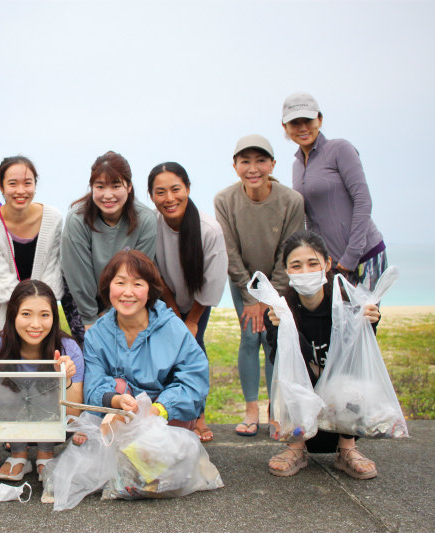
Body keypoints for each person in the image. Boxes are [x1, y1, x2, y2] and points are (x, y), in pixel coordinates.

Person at [264, 230, 380, 479]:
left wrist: (370, 322)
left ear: (327, 265)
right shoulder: (279, 311)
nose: (305, 271)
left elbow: (359, 359)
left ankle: (347, 449)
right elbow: (280, 364)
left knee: (351, 382)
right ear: (286, 270)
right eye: (296, 265)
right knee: (287, 380)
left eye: (312, 263)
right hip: (300, 421)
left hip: (342, 416)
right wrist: (282, 329)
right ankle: (296, 449)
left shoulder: (349, 306)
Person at [213, 134, 304, 437]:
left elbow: (288, 252)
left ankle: (276, 410)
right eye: (245, 161)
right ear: (235, 166)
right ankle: (251, 410)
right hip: (243, 281)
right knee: (251, 337)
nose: (253, 168)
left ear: (272, 164)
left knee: (274, 340)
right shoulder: (224, 200)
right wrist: (251, 297)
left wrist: (269, 297)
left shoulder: (292, 200)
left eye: (261, 161)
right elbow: (229, 251)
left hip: (279, 282)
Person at [0, 280, 84, 481]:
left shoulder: (68, 349)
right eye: (26, 314)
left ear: (54, 317)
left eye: (44, 315)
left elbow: (74, 414)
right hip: (8, 426)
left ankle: (46, 454)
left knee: (46, 386)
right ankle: (18, 453)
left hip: (57, 430)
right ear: (13, 315)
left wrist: (65, 380)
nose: (35, 324)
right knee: (5, 389)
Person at [83, 249, 208, 429]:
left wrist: (158, 409)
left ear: (149, 291)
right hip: (120, 417)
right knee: (118, 385)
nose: (128, 292)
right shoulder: (96, 334)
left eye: (137, 284)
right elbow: (93, 385)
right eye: (120, 283)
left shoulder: (173, 328)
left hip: (165, 417)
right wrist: (117, 400)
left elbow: (194, 377)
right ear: (108, 287)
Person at [148, 162, 228, 442]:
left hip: (197, 302)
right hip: (164, 297)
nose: (169, 198)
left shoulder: (209, 229)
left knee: (193, 349)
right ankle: (166, 411)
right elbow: (154, 271)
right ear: (151, 196)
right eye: (160, 192)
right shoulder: (151, 225)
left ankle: (198, 414)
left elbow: (212, 280)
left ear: (188, 189)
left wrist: (192, 320)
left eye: (176, 189)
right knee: (162, 351)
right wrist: (171, 308)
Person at [281, 93, 388, 291]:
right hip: (331, 265)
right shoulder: (297, 166)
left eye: (308, 120)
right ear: (285, 127)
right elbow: (310, 218)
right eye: (295, 122)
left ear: (320, 120)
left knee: (363, 313)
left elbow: (363, 200)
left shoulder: (339, 149)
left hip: (363, 256)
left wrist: (352, 255)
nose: (302, 128)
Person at [61, 151, 157, 341]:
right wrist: (90, 319)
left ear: (129, 186)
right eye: (100, 186)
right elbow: (79, 276)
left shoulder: (146, 219)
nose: (108, 195)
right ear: (92, 188)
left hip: (127, 291)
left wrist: (112, 314)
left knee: (128, 345)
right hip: (82, 294)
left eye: (115, 186)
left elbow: (138, 273)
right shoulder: (77, 219)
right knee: (90, 347)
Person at [0, 156, 64, 336]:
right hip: (4, 313)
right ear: (1, 187)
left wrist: (36, 313)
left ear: (35, 185)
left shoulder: (53, 218)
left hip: (43, 316)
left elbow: (51, 273)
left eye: (27, 183)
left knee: (46, 354)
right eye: (13, 184)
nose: (21, 190)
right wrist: (28, 310)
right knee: (5, 354)